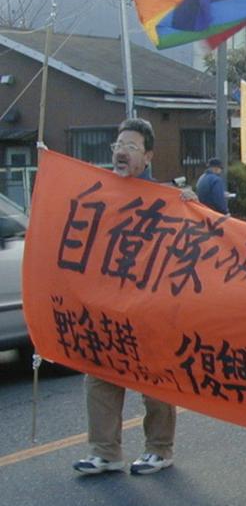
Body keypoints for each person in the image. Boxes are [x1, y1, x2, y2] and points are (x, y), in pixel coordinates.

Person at [74, 118, 181, 476]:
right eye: (118, 145)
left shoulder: (168, 200)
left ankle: (159, 448)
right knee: (100, 375)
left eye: (131, 146)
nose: (121, 151)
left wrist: (192, 207)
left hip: (150, 308)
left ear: (148, 156)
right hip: (106, 304)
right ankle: (105, 451)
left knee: (154, 379)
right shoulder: (98, 193)